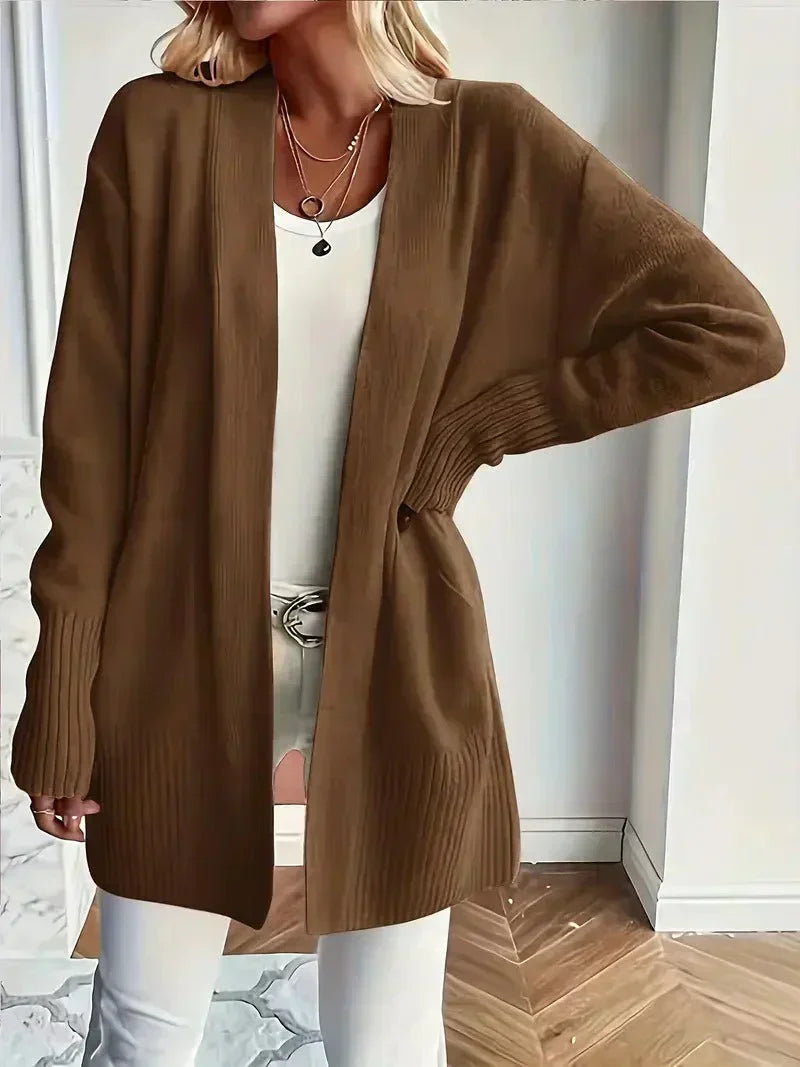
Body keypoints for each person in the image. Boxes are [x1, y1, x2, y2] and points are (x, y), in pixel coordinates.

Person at [11, 1, 784, 1065]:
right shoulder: (156, 129)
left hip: (397, 652)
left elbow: (729, 327)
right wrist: (62, 679)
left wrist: (480, 427)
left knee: (385, 1044)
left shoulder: (489, 138)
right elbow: (90, 440)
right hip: (172, 647)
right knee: (140, 1031)